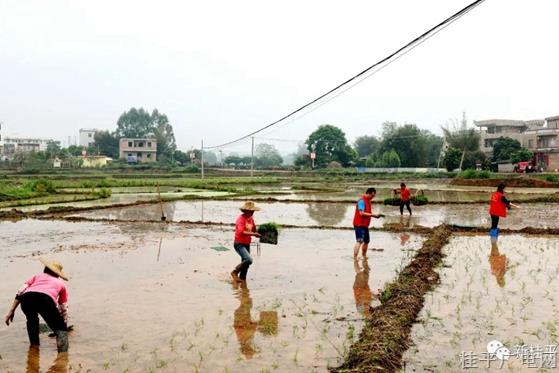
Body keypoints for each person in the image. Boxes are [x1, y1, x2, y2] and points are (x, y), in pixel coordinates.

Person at [4, 258, 69, 353]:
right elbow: (63, 307)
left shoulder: (37, 276)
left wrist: (11, 311)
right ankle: (62, 357)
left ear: (45, 269)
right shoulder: (61, 284)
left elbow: (20, 291)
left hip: (26, 298)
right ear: (58, 274)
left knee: (32, 322)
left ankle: (34, 350)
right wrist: (63, 324)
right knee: (61, 330)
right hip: (45, 300)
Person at [231, 201, 261, 282]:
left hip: (247, 243)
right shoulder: (240, 219)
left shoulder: (251, 219)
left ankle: (242, 281)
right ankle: (235, 272)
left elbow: (254, 229)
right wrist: (254, 234)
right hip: (239, 244)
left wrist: (260, 232)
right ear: (245, 211)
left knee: (246, 265)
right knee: (249, 260)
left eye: (253, 211)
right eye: (250, 211)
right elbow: (242, 232)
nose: (252, 212)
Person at [353, 188, 381, 258]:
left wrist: (374, 215)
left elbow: (368, 212)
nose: (372, 197)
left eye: (373, 196)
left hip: (365, 224)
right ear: (368, 193)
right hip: (359, 224)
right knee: (359, 241)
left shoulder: (368, 201)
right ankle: (355, 257)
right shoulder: (361, 201)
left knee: (366, 241)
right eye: (372, 195)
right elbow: (361, 213)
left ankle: (364, 256)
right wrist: (373, 215)